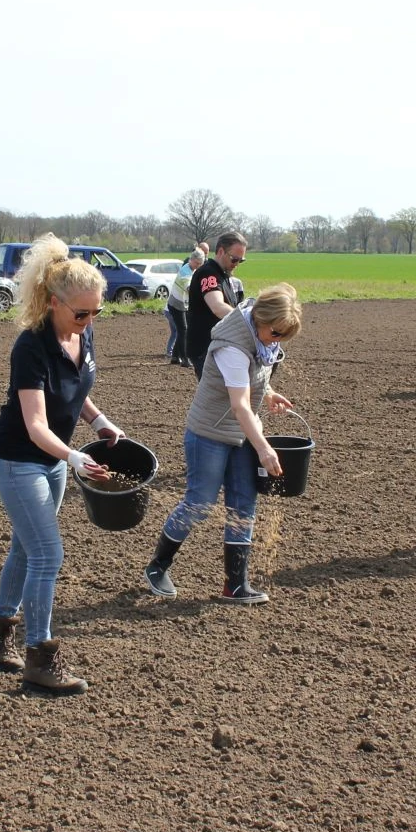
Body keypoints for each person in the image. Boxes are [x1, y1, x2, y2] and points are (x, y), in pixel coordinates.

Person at [0, 236, 124, 695]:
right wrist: (75, 456)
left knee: (27, 547)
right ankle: (41, 656)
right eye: (81, 313)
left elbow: (76, 390)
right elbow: (36, 424)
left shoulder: (82, 332)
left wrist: (98, 422)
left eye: (97, 312)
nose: (89, 320)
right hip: (19, 458)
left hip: (53, 459)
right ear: (55, 303)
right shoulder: (31, 346)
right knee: (47, 554)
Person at [144, 284, 302, 604]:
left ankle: (235, 585)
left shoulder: (262, 339)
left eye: (284, 335)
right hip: (210, 434)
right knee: (199, 503)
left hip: (241, 432)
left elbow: (255, 374)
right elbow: (240, 406)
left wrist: (268, 393)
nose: (278, 340)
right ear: (260, 319)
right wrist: (264, 447)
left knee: (244, 504)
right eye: (276, 333)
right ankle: (158, 566)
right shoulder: (233, 345)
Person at [184, 232, 247, 377]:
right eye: (234, 259)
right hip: (206, 348)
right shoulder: (208, 274)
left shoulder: (223, 275)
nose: (236, 264)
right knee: (216, 397)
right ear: (220, 252)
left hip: (218, 347)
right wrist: (248, 321)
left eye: (240, 261)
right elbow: (218, 306)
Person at [164, 250, 203, 366]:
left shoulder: (190, 267)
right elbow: (190, 288)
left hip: (180, 304)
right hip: (177, 305)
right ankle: (185, 358)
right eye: (196, 263)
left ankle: (175, 357)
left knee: (182, 331)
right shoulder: (185, 273)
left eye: (199, 264)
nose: (197, 266)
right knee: (184, 331)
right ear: (191, 260)